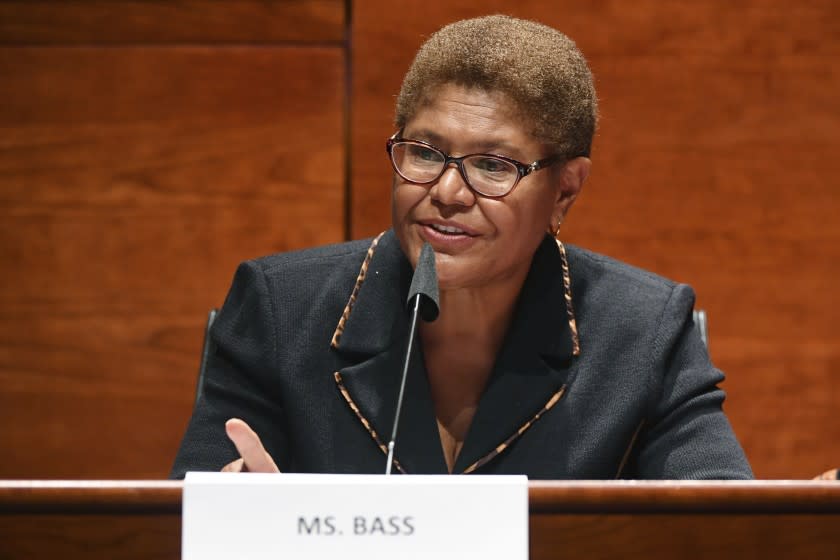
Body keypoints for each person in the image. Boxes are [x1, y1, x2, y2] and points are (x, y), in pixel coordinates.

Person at [171, 15, 752, 479]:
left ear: (565, 189)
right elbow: (183, 523)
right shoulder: (281, 311)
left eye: (493, 165)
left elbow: (714, 521)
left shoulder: (643, 331)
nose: (446, 192)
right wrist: (244, 523)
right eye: (424, 152)